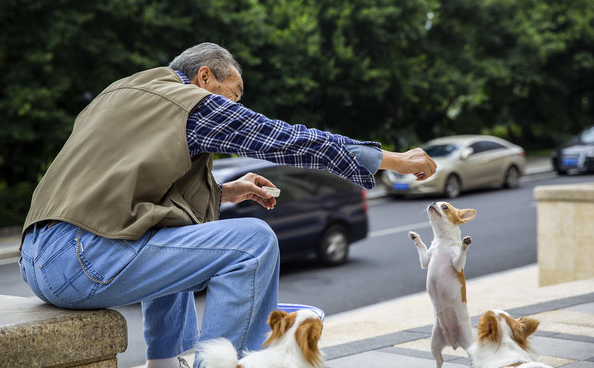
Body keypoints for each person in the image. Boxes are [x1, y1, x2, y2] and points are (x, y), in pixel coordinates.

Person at [19, 42, 436, 368]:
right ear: (204, 77)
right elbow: (288, 139)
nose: (233, 107)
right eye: (232, 95)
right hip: (82, 259)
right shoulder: (191, 103)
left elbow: (123, 189)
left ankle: (166, 362)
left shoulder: (121, 93)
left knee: (177, 232)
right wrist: (395, 161)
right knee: (253, 241)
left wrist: (225, 192)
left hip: (39, 257)